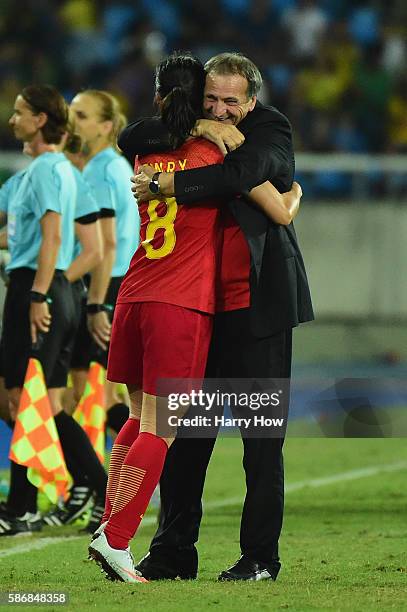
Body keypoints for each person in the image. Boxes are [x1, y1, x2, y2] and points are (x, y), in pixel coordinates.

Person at [88, 52, 302, 583]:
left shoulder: (267, 127)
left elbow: (250, 170)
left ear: (251, 101)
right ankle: (172, 551)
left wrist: (170, 183)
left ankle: (259, 558)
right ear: (197, 96)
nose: (223, 109)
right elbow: (132, 134)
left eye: (232, 101)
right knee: (183, 441)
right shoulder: (191, 136)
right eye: (212, 99)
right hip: (194, 310)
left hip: (254, 312)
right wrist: (202, 126)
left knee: (258, 442)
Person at [0, 85, 106, 536]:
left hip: (35, 289)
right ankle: (95, 483)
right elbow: (89, 245)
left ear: (41, 120)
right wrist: (58, 287)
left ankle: (22, 507)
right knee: (44, 401)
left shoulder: (43, 172)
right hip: (60, 290)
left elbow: (51, 238)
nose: (12, 118)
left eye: (20, 112)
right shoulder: (65, 172)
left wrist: (40, 293)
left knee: (21, 399)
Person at [68, 90, 140, 433]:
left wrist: (96, 304)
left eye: (81, 116)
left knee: (85, 389)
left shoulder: (99, 171)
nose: (71, 121)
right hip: (119, 282)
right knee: (105, 392)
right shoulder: (115, 164)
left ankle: (145, 471)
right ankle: (131, 475)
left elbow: (106, 242)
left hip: (103, 285)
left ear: (105, 126)